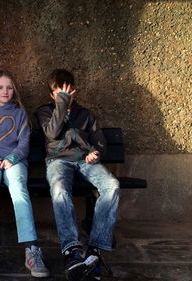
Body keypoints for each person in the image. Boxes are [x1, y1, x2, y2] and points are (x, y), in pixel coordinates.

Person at [34, 69, 120, 281]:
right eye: (58, 93)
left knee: (112, 186)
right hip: (58, 161)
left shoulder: (86, 114)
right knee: (60, 190)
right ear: (51, 95)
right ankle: (71, 251)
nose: (64, 96)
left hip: (85, 161)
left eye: (68, 92)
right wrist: (62, 103)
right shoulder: (44, 112)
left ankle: (94, 252)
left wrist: (96, 153)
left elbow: (99, 140)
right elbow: (52, 133)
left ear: (76, 92)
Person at [0, 70, 50, 280]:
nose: (5, 91)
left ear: (13, 90)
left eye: (9, 87)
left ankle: (31, 249)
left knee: (18, 190)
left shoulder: (20, 113)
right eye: (0, 87)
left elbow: (24, 142)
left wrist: (12, 159)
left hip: (14, 162)